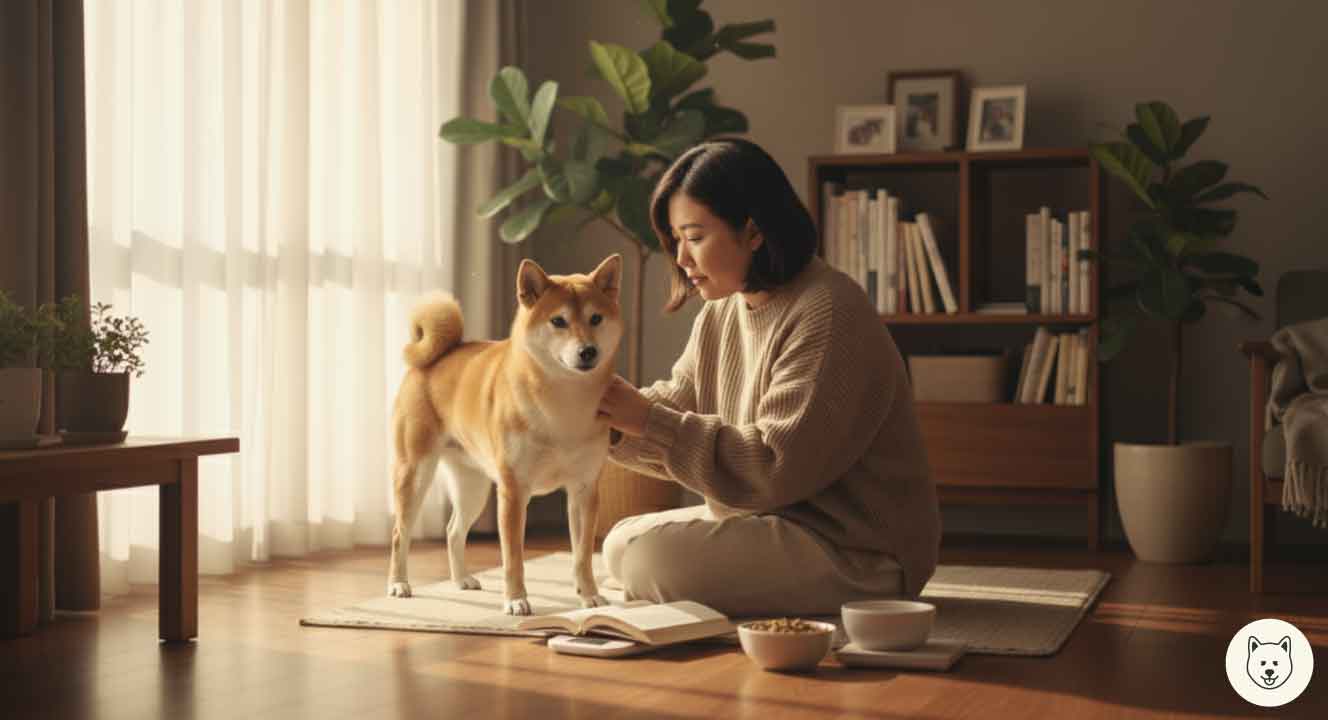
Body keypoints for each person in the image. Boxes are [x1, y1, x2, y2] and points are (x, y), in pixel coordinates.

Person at [597, 138, 940, 617]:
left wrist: (646, 419)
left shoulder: (829, 309)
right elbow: (679, 401)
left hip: (855, 550)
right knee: (620, 544)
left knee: (647, 558)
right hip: (772, 522)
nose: (681, 258)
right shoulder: (721, 313)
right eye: (675, 240)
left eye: (694, 237)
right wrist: (602, 413)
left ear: (753, 232)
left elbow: (776, 465)